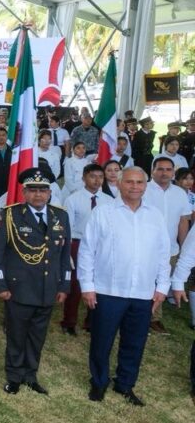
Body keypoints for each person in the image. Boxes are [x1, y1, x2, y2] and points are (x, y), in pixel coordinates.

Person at [79, 168, 170, 406]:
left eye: (140, 182)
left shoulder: (155, 216)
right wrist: (87, 286)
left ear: (145, 186)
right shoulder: (103, 212)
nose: (135, 186)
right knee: (102, 340)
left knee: (135, 341)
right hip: (108, 290)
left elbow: (163, 253)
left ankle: (125, 384)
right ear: (119, 184)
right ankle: (98, 382)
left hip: (142, 292)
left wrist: (162, 286)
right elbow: (87, 250)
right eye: (129, 181)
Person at [0, 168, 72, 395]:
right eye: (33, 190)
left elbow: (65, 257)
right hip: (19, 289)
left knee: (37, 336)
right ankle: (14, 376)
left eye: (43, 190)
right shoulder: (9, 215)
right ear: (24, 193)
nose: (38, 195)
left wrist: (64, 285)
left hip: (48, 289)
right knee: (16, 335)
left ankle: (30, 374)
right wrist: (0, 285)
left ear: (49, 193)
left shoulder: (60, 216)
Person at [62, 163, 113, 334]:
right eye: (93, 176)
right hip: (79, 243)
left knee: (98, 283)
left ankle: (92, 321)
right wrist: (67, 251)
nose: (97, 180)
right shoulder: (73, 199)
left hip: (101, 246)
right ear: (84, 178)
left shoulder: (110, 201)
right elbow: (66, 228)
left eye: (100, 177)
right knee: (76, 284)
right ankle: (69, 322)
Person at [144, 155, 191, 334]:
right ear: (152, 171)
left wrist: (184, 247)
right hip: (144, 247)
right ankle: (141, 316)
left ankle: (154, 318)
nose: (164, 173)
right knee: (144, 282)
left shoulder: (180, 193)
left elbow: (183, 221)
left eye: (168, 170)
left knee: (161, 283)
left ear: (173, 173)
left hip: (170, 249)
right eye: (160, 169)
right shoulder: (143, 189)